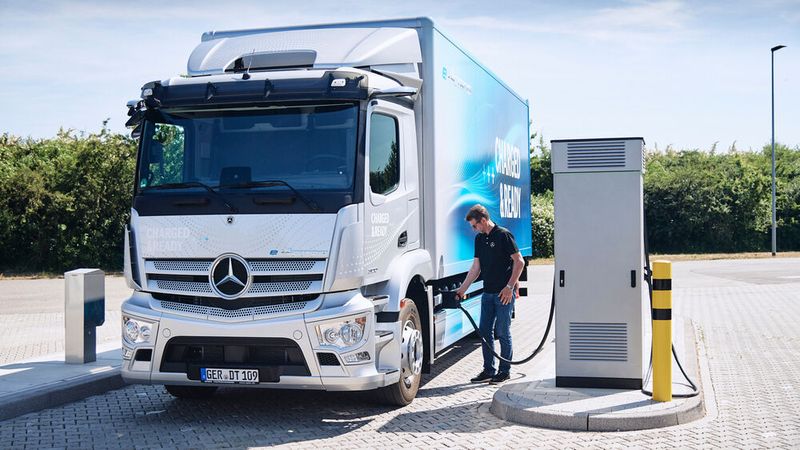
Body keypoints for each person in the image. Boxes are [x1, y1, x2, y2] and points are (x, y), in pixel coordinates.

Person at [455, 204, 525, 384]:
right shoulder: (480, 239)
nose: (473, 229)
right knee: (485, 332)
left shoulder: (503, 235)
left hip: (504, 294)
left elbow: (519, 262)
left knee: (502, 332)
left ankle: (504, 371)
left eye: (474, 225)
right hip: (488, 293)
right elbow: (475, 268)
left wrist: (509, 287)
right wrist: (462, 289)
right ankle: (488, 370)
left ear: (483, 220)